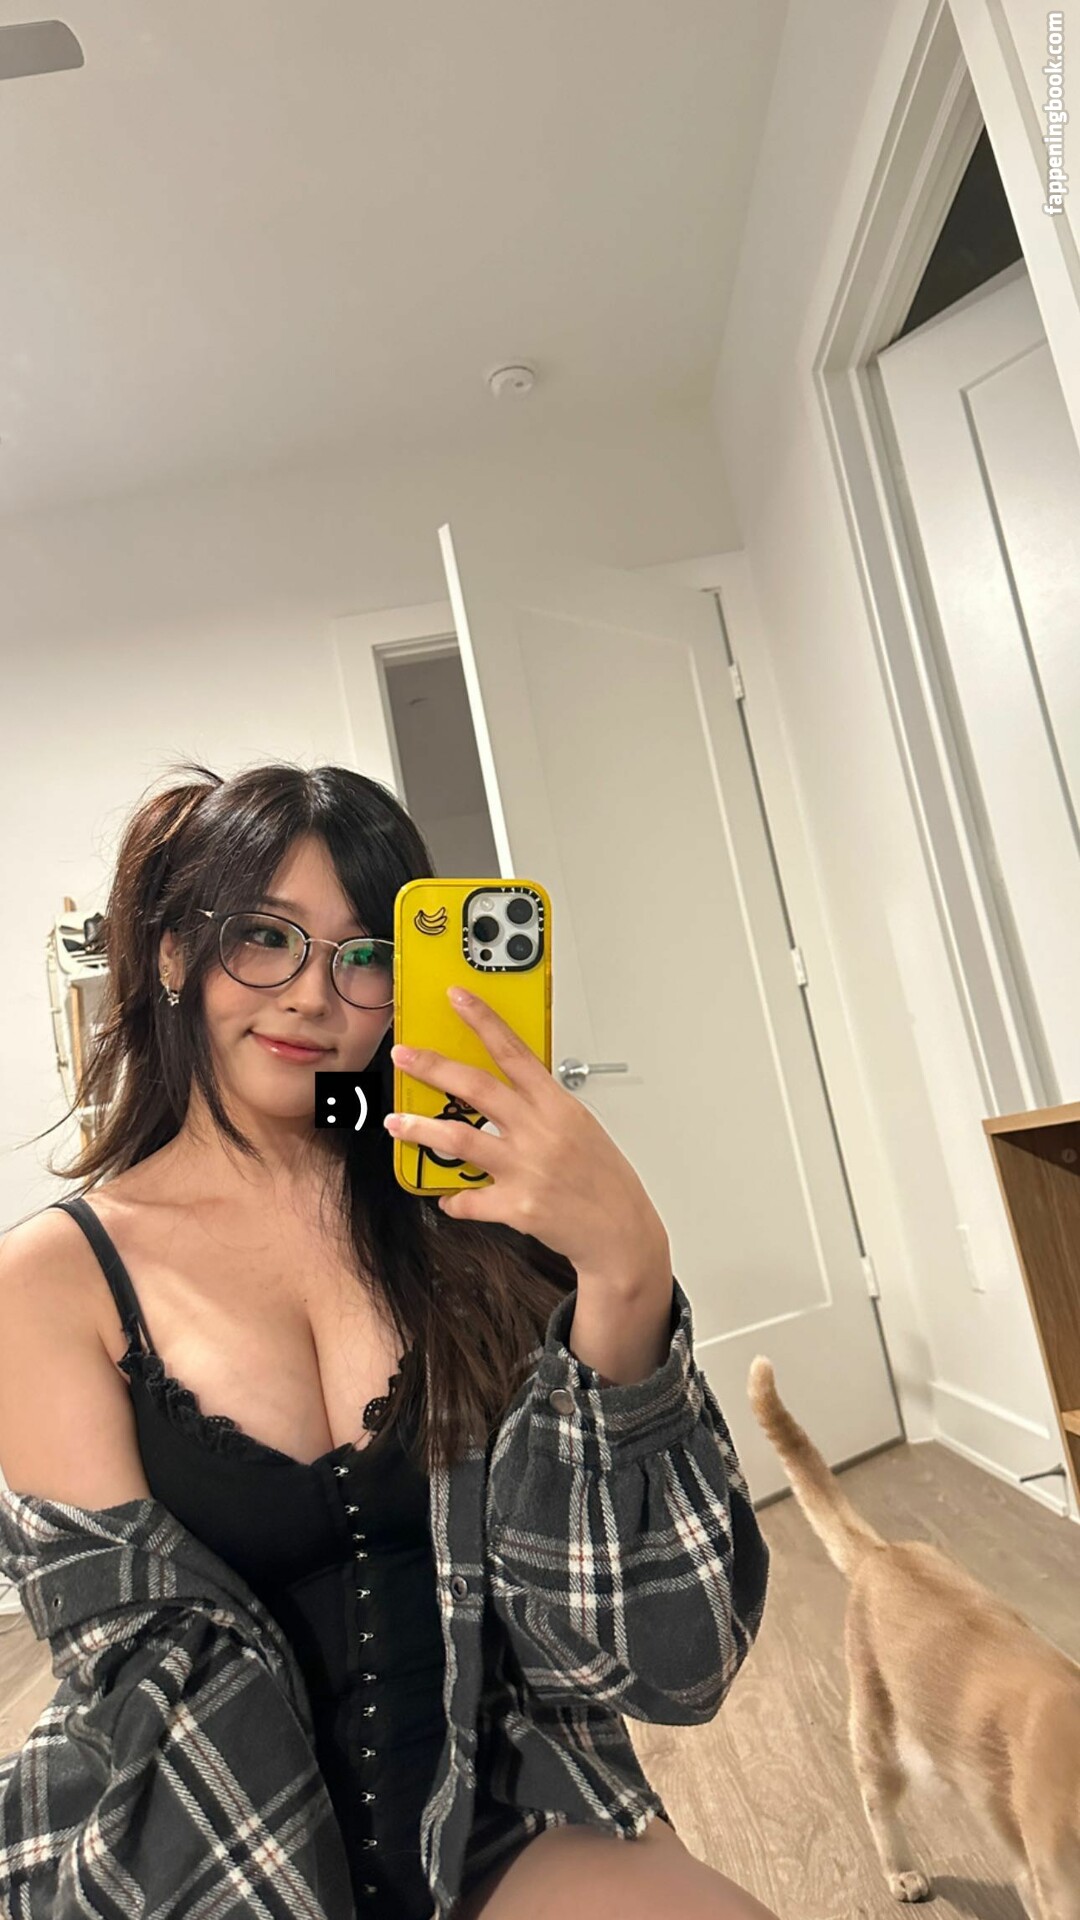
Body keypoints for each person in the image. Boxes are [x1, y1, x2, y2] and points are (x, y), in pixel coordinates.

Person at [0, 759, 776, 1920]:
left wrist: (628, 1270)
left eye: (365, 956)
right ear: (170, 955)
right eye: (265, 938)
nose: (315, 998)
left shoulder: (467, 1222)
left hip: (494, 1811)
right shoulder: (53, 1281)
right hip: (210, 1846)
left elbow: (670, 1660)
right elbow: (138, 1683)